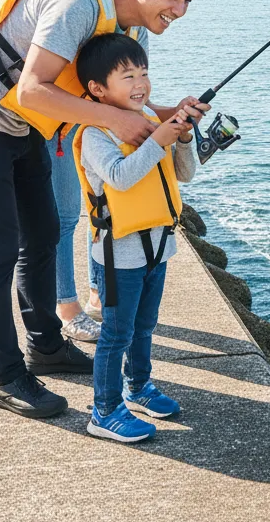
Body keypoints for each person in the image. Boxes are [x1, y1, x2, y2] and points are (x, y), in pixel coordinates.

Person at [0, 0, 208, 419]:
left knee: (41, 236)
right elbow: (36, 91)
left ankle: (46, 346)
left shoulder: (117, 20)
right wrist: (116, 121)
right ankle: (7, 376)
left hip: (21, 124)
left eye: (188, 0)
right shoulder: (79, 3)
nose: (180, 11)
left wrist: (168, 112)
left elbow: (102, 97)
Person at [0, 0, 156, 341]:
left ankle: (101, 291)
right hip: (59, 113)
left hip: (101, 108)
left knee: (102, 204)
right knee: (64, 213)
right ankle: (66, 306)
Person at [74, 33, 196, 444]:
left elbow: (184, 174)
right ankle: (104, 410)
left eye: (144, 72)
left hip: (158, 245)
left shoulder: (148, 119)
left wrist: (181, 136)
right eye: (127, 75)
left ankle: (138, 386)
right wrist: (160, 137)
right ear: (97, 89)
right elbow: (121, 177)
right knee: (115, 333)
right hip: (118, 253)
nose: (140, 83)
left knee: (145, 326)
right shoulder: (95, 133)